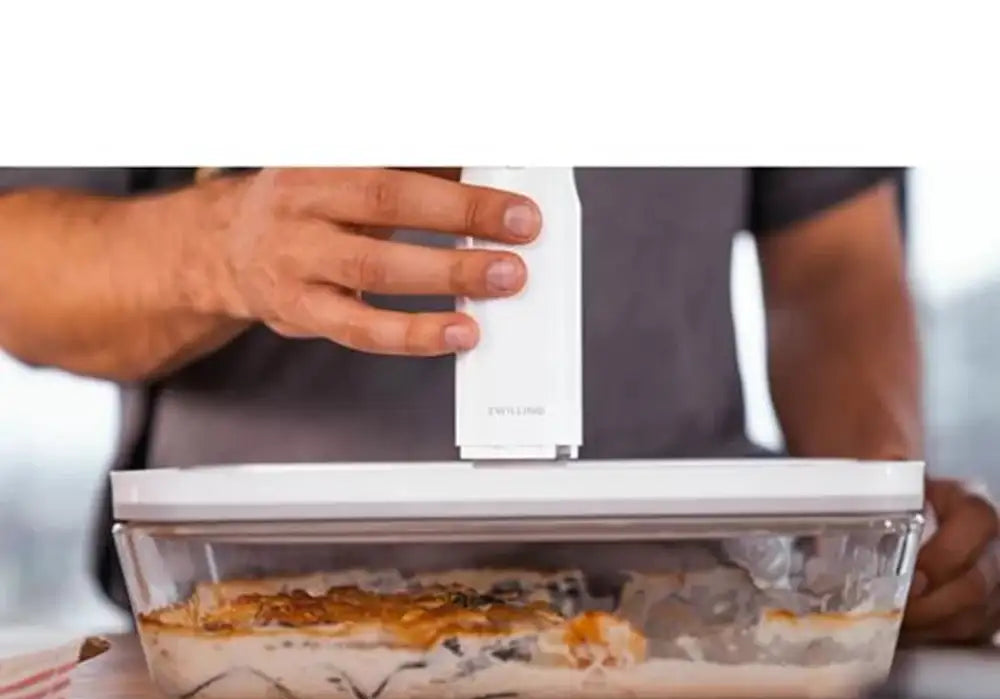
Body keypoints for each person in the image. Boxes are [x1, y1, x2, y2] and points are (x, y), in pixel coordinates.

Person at [0, 167, 996, 642]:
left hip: (701, 633)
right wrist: (217, 246)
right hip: (247, 633)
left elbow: (831, 264)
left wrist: (876, 537)